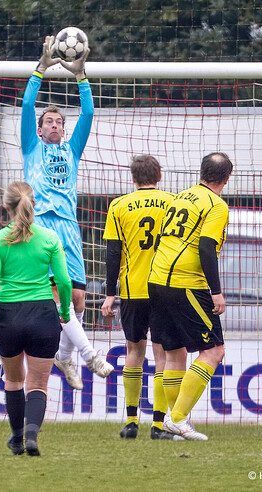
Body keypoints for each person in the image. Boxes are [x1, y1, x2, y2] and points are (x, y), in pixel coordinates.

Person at [21, 35, 113, 390]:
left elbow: (88, 112)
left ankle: (64, 356)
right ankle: (90, 355)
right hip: (42, 225)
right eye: (50, 121)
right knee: (60, 298)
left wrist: (81, 76)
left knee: (77, 299)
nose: (56, 124)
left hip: (69, 228)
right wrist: (41, 69)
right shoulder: (31, 147)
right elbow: (27, 105)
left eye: (60, 121)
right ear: (41, 128)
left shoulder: (72, 150)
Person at [0, 181, 71, 456]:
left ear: (6, 207)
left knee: (14, 381)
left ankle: (16, 437)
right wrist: (63, 312)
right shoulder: (50, 238)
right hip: (42, 314)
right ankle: (31, 436)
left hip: (7, 316)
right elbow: (63, 281)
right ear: (34, 205)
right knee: (38, 384)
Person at [147, 152, 233, 441]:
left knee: (173, 354)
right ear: (226, 178)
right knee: (214, 350)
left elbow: (162, 239)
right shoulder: (216, 205)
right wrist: (216, 292)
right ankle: (179, 417)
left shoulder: (179, 197)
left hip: (156, 279)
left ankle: (175, 423)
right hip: (186, 283)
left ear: (202, 172)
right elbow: (206, 247)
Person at [101, 155, 179, 440]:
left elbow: (113, 252)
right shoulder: (173, 203)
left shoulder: (119, 206)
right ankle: (158, 425)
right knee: (162, 354)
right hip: (164, 287)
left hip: (133, 289)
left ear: (133, 178)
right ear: (158, 176)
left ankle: (132, 420)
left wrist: (110, 293)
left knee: (134, 352)